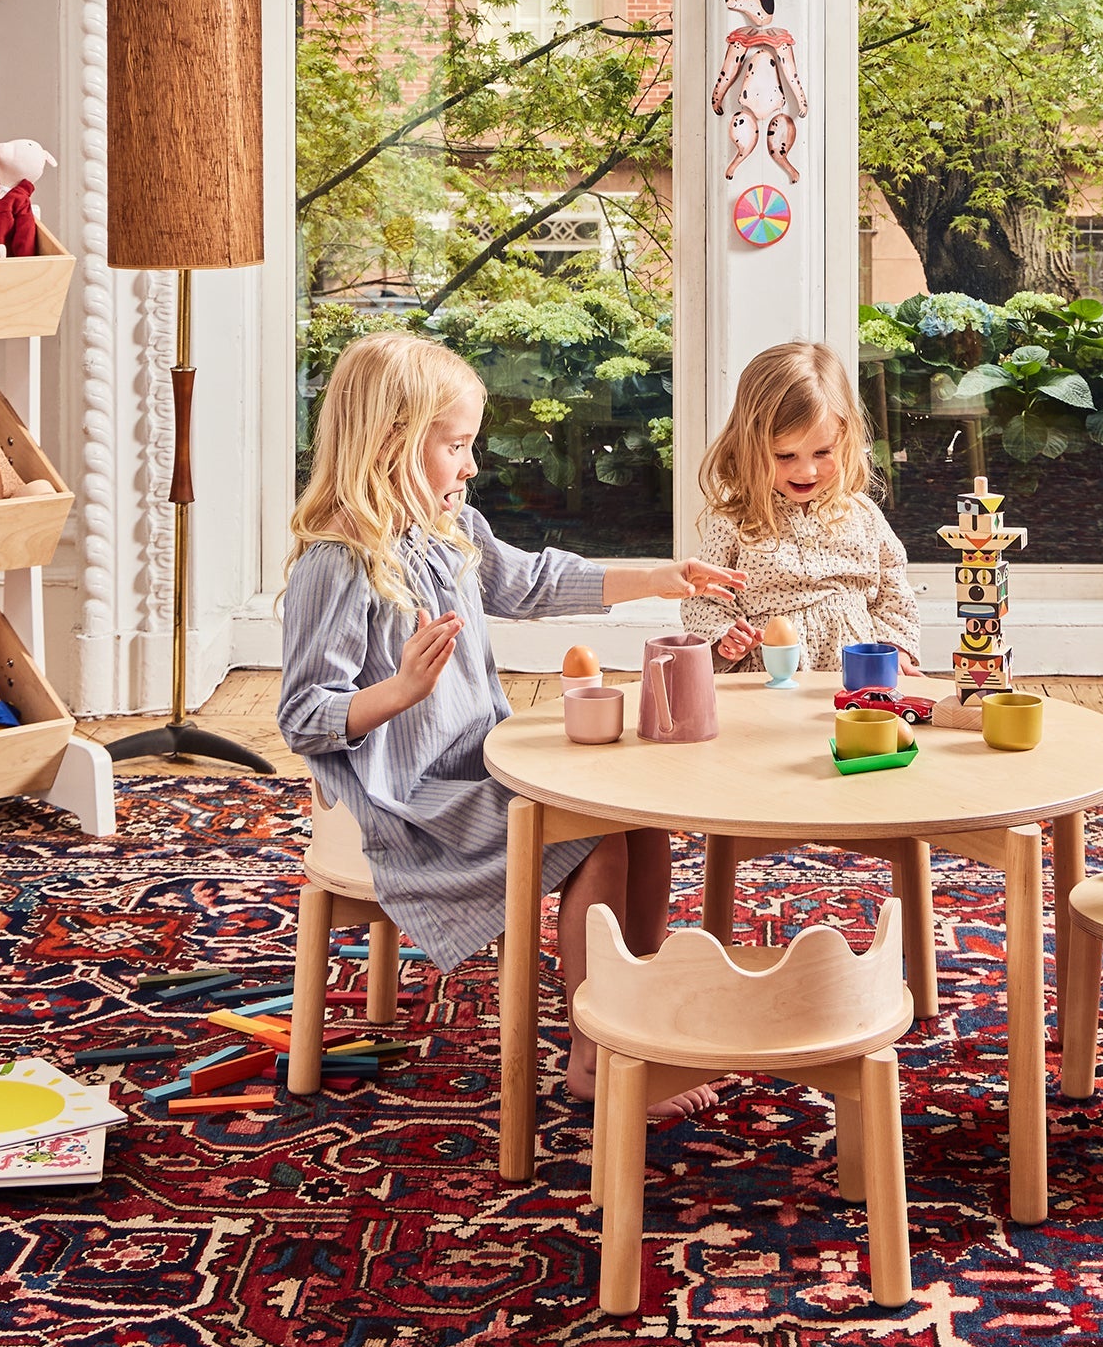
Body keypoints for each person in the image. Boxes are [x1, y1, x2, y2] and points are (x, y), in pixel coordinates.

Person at [277, 331, 744, 1117]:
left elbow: (531, 582)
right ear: (390, 442)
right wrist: (399, 690)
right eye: (455, 445)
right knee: (591, 835)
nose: (469, 465)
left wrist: (661, 576)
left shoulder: (448, 527)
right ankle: (595, 1056)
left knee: (640, 822)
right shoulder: (339, 562)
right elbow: (303, 716)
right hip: (413, 797)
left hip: (478, 762)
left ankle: (634, 1008)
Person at [679, 341, 921, 676]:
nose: (806, 471)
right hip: (767, 679)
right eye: (785, 455)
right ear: (752, 447)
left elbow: (894, 590)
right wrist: (725, 636)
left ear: (844, 440)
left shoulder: (863, 515)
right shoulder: (736, 523)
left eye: (822, 453)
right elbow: (703, 599)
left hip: (853, 675)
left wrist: (897, 649)